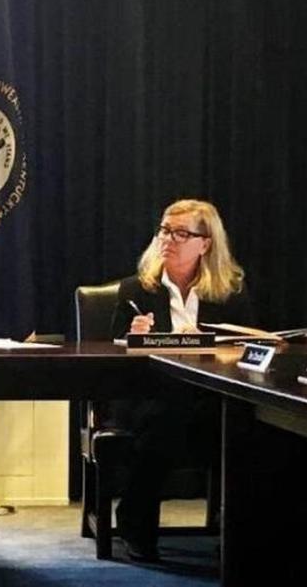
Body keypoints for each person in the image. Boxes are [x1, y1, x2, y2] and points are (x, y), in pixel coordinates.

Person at [108, 199, 254, 561]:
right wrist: (132, 336)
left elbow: (248, 349)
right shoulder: (136, 290)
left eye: (180, 233)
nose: (168, 240)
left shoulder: (230, 294)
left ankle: (238, 528)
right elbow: (109, 354)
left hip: (209, 398)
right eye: (164, 231)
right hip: (148, 398)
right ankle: (136, 527)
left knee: (245, 425)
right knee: (164, 421)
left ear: (205, 244)